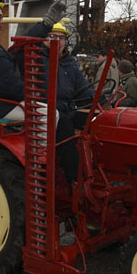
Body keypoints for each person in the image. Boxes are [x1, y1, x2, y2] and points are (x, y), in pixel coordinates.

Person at [43, 23, 94, 184]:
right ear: (44, 39)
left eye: (61, 37)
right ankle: (76, 180)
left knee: (97, 122)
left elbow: (84, 89)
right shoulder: (38, 60)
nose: (57, 41)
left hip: (68, 109)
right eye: (52, 36)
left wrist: (102, 102)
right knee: (64, 127)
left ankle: (101, 171)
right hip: (47, 110)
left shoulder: (69, 63)